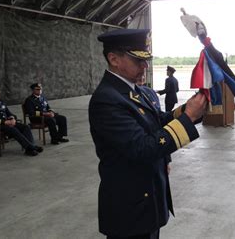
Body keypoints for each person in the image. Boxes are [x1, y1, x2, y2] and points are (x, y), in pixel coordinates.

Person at [89, 28, 207, 239]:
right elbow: (142, 148)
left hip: (148, 198)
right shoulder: (106, 100)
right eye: (137, 60)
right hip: (129, 208)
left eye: (146, 60)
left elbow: (157, 122)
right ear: (114, 59)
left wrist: (186, 110)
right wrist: (187, 118)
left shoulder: (139, 91)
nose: (145, 66)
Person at [0, 83, 43, 156]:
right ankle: (32, 147)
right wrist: (5, 122)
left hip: (8, 123)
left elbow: (9, 113)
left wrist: (12, 118)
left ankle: (30, 148)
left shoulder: (0, 102)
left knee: (25, 127)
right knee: (13, 129)